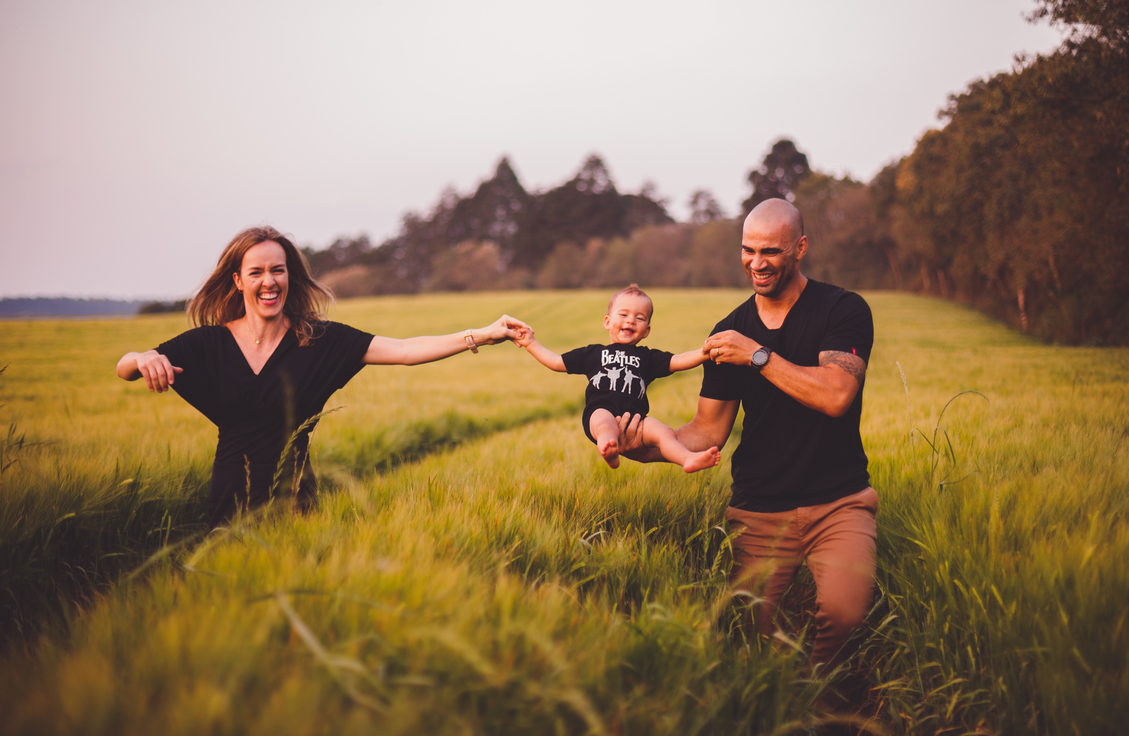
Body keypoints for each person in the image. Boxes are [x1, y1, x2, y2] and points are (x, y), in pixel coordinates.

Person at [116, 225, 527, 529]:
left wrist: (482, 335)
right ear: (238, 281)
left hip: (296, 502)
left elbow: (404, 351)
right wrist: (141, 357)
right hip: (229, 503)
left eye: (277, 270)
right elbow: (125, 369)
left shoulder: (319, 340)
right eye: (256, 272)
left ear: (289, 276)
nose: (268, 281)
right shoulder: (209, 344)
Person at [616, 199, 876, 672]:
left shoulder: (842, 309)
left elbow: (836, 394)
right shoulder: (729, 331)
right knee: (751, 639)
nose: (756, 262)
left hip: (839, 502)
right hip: (758, 508)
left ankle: (821, 697)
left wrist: (757, 355)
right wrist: (643, 447)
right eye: (748, 250)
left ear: (800, 248)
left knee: (843, 614)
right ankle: (781, 701)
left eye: (770, 251)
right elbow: (707, 429)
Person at [514, 284, 721, 473]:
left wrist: (703, 353)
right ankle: (609, 448)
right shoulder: (593, 353)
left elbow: (678, 360)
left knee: (664, 432)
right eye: (623, 314)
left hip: (636, 420)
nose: (631, 320)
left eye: (640, 318)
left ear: (646, 331)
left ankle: (687, 458)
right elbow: (556, 361)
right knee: (605, 424)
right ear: (607, 321)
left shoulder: (647, 357)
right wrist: (530, 343)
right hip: (600, 410)